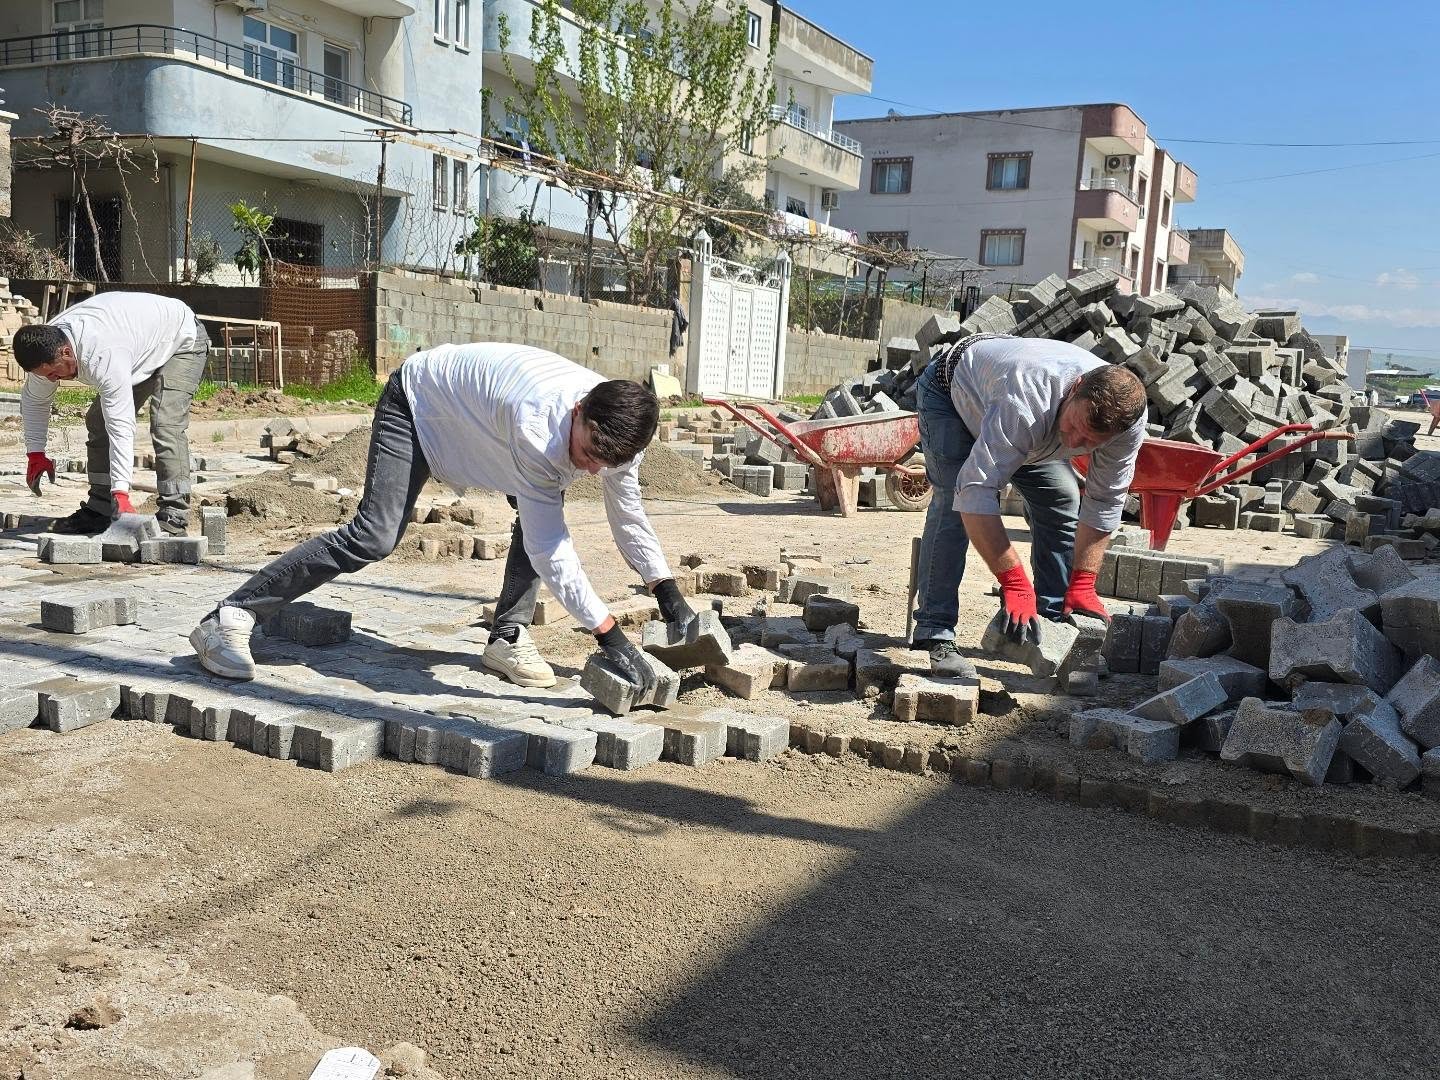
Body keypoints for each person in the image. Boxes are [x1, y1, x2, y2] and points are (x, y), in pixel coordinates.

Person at [189, 342, 695, 696]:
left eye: (605, 463)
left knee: (541, 507)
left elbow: (627, 511)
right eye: (587, 453)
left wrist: (665, 589)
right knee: (374, 535)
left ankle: (507, 637)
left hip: (480, 432)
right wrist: (609, 635)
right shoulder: (537, 424)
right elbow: (551, 550)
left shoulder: (621, 438)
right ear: (579, 409)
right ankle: (229, 617)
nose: (591, 469)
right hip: (420, 408)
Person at [911, 333, 1147, 672]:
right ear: (1075, 388)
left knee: (1061, 498)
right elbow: (975, 491)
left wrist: (1084, 581)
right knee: (953, 501)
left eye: (1090, 442)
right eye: (1076, 427)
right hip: (952, 395)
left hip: (1024, 424)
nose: (1075, 443)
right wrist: (1014, 582)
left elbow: (1105, 500)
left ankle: (1050, 626)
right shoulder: (1027, 398)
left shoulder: (1126, 425)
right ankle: (935, 631)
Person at [15, 291, 210, 536]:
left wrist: (121, 491)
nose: (53, 379)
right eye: (47, 376)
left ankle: (174, 515)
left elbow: (121, 424)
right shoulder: (44, 350)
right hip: (138, 345)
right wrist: (35, 453)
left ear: (65, 352)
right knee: (98, 421)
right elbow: (34, 402)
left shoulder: (102, 353)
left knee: (165, 422)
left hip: (181, 340)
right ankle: (100, 509)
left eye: (54, 373)